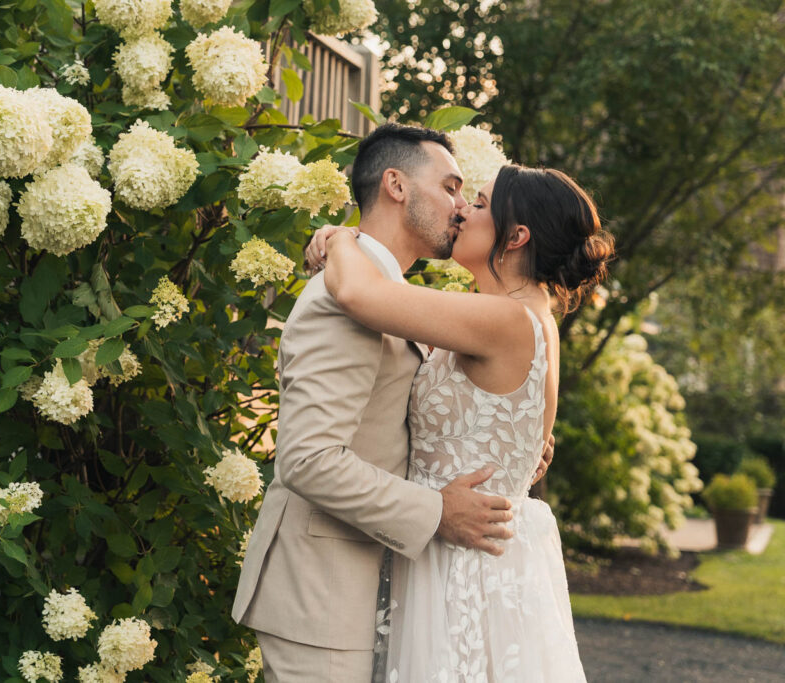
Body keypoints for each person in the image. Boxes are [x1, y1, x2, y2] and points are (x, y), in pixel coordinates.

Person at [232, 123, 553, 681]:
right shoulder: (344, 301)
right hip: (322, 599)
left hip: (387, 590)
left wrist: (512, 452)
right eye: (452, 188)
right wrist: (437, 512)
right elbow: (307, 459)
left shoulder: (391, 297)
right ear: (396, 185)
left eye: (470, 198)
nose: (460, 208)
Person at [312, 163, 613, 681]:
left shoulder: (506, 319)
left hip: (462, 569)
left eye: (477, 202)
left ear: (516, 236)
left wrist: (343, 239)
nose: (461, 211)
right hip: (462, 549)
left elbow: (361, 296)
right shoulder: (518, 315)